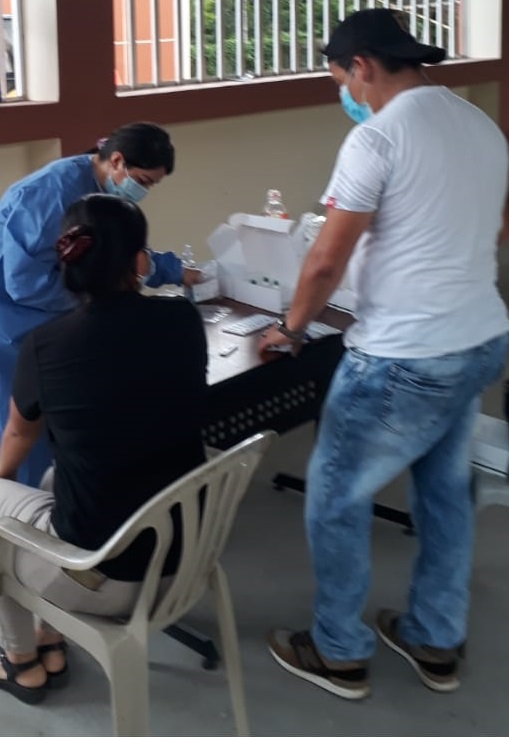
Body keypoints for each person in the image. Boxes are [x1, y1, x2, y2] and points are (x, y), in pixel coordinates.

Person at [260, 9, 509, 700]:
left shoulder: (376, 138)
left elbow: (324, 259)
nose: (344, 93)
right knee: (444, 492)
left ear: (362, 66)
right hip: (477, 340)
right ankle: (434, 637)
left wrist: (291, 327)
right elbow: (494, 226)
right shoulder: (478, 125)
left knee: (334, 497)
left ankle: (338, 650)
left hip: (401, 357)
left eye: (340, 80)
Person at [0, 193, 208, 703]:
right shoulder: (183, 319)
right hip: (189, 555)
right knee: (55, 480)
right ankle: (49, 637)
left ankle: (19, 660)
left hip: (103, 580)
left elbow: (16, 441)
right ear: (139, 261)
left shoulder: (45, 346)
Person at [0, 121, 202, 487]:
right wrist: (104, 291)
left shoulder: (101, 195)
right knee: (28, 426)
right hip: (16, 324)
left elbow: (119, 250)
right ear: (117, 160)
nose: (144, 192)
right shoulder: (48, 194)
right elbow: (24, 284)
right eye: (143, 181)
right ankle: (21, 503)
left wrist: (172, 270)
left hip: (61, 317)